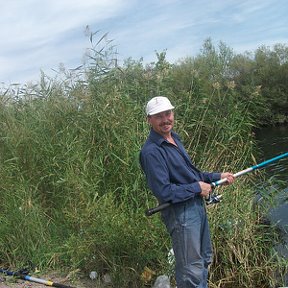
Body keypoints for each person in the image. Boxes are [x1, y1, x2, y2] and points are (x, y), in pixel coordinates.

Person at [140, 96, 235, 288]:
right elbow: (164, 191)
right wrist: (197, 188)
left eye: (168, 113)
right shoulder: (151, 152)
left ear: (173, 114)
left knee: (204, 258)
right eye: (158, 116)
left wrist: (218, 176)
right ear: (149, 120)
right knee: (190, 269)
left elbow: (192, 174)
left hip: (196, 207)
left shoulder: (175, 138)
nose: (165, 119)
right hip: (180, 214)